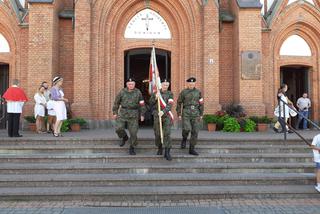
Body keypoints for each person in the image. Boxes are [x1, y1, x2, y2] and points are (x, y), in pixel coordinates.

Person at [112, 78, 146, 155]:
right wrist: (115, 112)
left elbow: (142, 104)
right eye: (129, 84)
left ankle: (132, 147)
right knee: (118, 128)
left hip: (134, 114)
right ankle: (124, 137)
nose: (131, 85)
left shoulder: (138, 92)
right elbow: (116, 102)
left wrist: (142, 114)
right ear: (127, 84)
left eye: (132, 84)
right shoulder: (122, 92)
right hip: (123, 113)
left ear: (134, 84)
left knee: (133, 132)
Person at [176, 77, 204, 156]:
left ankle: (191, 149)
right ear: (187, 84)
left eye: (193, 83)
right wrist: (179, 114)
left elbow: (201, 103)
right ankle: (184, 139)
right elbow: (179, 103)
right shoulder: (183, 92)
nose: (191, 85)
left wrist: (201, 114)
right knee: (187, 128)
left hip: (196, 113)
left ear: (195, 84)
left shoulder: (198, 92)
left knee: (195, 131)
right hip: (186, 112)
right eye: (190, 83)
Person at [149, 79, 174, 161]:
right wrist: (155, 98)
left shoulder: (170, 93)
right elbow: (150, 103)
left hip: (166, 115)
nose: (165, 86)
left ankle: (167, 152)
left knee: (167, 133)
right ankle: (159, 147)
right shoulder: (156, 93)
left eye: (167, 85)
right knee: (157, 133)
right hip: (157, 115)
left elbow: (170, 105)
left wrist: (163, 111)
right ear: (161, 85)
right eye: (164, 85)